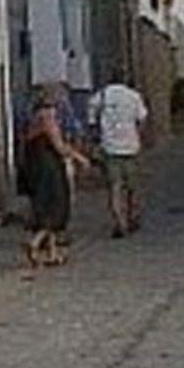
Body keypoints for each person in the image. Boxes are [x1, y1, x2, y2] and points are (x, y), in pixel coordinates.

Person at [20, 82, 92, 267]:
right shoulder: (48, 116)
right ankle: (35, 242)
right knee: (55, 205)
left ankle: (52, 253)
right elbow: (58, 146)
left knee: (46, 204)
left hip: (36, 163)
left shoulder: (34, 116)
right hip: (48, 166)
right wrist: (80, 158)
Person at [88, 70, 149, 238]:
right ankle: (132, 216)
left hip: (110, 147)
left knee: (114, 187)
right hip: (130, 146)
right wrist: (138, 136)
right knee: (132, 187)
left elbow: (92, 123)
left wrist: (96, 142)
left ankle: (119, 222)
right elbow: (142, 120)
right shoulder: (134, 96)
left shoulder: (100, 96)